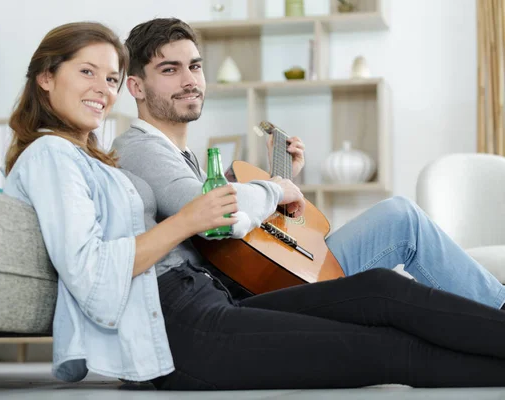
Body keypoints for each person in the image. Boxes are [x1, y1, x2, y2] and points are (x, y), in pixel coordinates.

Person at [3, 21, 505, 391]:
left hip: (200, 298)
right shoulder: (58, 154)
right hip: (178, 325)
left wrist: (265, 189)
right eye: (88, 73)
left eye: (109, 78)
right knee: (385, 348)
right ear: (46, 77)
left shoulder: (93, 158)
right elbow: (94, 273)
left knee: (380, 290)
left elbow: (216, 227)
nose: (102, 90)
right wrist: (191, 218)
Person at [111, 17, 505, 309]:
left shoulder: (181, 151)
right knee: (402, 221)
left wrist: (282, 177)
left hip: (262, 274)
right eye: (170, 70)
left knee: (402, 218)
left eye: (195, 66)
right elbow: (207, 209)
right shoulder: (140, 147)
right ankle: (498, 311)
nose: (189, 80)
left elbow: (247, 241)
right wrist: (276, 187)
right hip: (246, 293)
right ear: (136, 87)